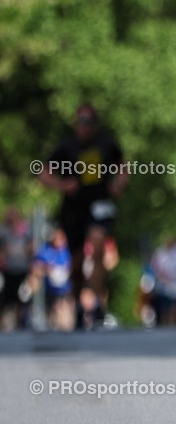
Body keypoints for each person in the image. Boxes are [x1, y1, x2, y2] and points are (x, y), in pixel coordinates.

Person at [39, 103, 128, 329]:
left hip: (100, 205)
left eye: (89, 122)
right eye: (81, 121)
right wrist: (62, 185)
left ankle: (97, 304)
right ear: (75, 123)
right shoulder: (66, 148)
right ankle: (79, 305)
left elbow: (123, 166)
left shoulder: (106, 145)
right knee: (76, 263)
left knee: (98, 247)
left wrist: (119, 183)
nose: (85, 126)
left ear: (95, 124)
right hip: (73, 210)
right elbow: (44, 173)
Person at [32, 227, 75, 331]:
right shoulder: (45, 250)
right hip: (48, 289)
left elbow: (68, 268)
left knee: (65, 317)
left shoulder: (65, 252)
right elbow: (35, 266)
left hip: (63, 291)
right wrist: (47, 269)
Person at [0, 207, 33, 330]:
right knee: (5, 298)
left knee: (22, 297)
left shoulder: (24, 231)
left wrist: (27, 251)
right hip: (7, 269)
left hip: (22, 268)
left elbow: (31, 245)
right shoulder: (3, 232)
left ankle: (20, 323)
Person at [150, 234, 176, 326]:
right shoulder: (160, 252)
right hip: (164, 284)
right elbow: (155, 266)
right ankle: (166, 324)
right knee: (165, 306)